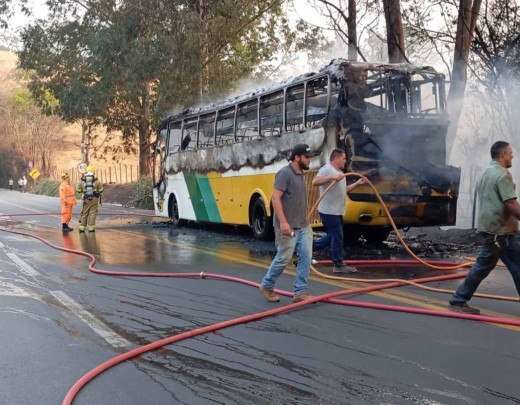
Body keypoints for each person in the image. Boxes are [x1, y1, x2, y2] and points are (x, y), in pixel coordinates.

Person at [449, 141, 520, 314]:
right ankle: (458, 300)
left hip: (496, 231)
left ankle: (459, 299)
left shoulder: (486, 173)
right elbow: (510, 203)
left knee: (513, 267)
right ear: (502, 155)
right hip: (499, 232)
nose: (512, 156)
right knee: (483, 267)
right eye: (510, 153)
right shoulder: (503, 175)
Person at [260, 144, 316, 303]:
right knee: (283, 259)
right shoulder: (285, 174)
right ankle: (267, 285)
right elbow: (275, 198)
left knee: (306, 257)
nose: (309, 160)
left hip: (303, 226)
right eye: (306, 157)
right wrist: (284, 223)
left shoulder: (300, 174)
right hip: (288, 227)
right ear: (297, 157)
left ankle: (300, 292)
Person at [312, 149, 367, 273]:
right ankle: (338, 264)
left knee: (333, 236)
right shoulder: (327, 169)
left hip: (337, 211)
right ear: (336, 158)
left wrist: (358, 183)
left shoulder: (340, 173)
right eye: (344, 158)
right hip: (328, 211)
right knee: (338, 236)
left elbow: (344, 190)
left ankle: (309, 247)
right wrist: (331, 177)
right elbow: (314, 182)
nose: (345, 161)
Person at [76, 166, 104, 232]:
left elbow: (77, 189)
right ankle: (91, 228)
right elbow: (101, 189)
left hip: (86, 199)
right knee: (92, 213)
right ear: (93, 171)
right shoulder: (97, 180)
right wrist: (98, 191)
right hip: (94, 199)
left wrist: (82, 191)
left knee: (84, 212)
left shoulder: (82, 180)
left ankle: (82, 227)